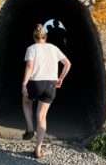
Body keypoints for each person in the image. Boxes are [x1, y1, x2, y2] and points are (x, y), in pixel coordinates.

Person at [22, 24, 71, 159]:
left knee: (26, 102)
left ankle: (30, 128)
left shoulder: (31, 48)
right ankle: (38, 149)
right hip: (51, 85)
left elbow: (29, 66)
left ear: (34, 37)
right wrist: (60, 78)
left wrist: (24, 84)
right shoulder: (54, 48)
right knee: (42, 116)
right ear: (45, 36)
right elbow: (68, 64)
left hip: (35, 83)